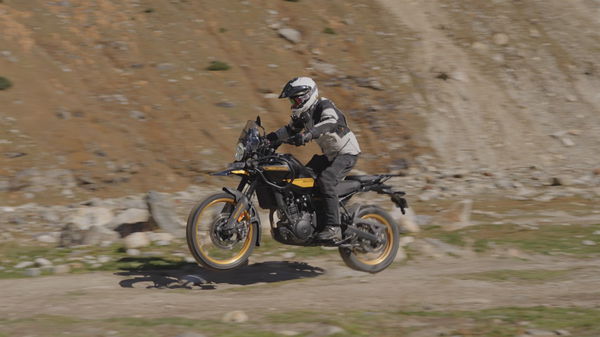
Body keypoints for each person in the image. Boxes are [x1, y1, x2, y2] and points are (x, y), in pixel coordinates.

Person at [266, 77, 361, 241]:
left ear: (306, 96)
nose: (293, 104)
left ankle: (334, 228)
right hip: (330, 155)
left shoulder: (324, 106)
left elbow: (330, 123)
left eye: (295, 100)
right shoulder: (304, 115)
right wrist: (267, 140)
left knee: (326, 180)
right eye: (292, 100)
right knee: (302, 177)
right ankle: (312, 219)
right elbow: (288, 131)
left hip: (346, 153)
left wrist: (307, 135)